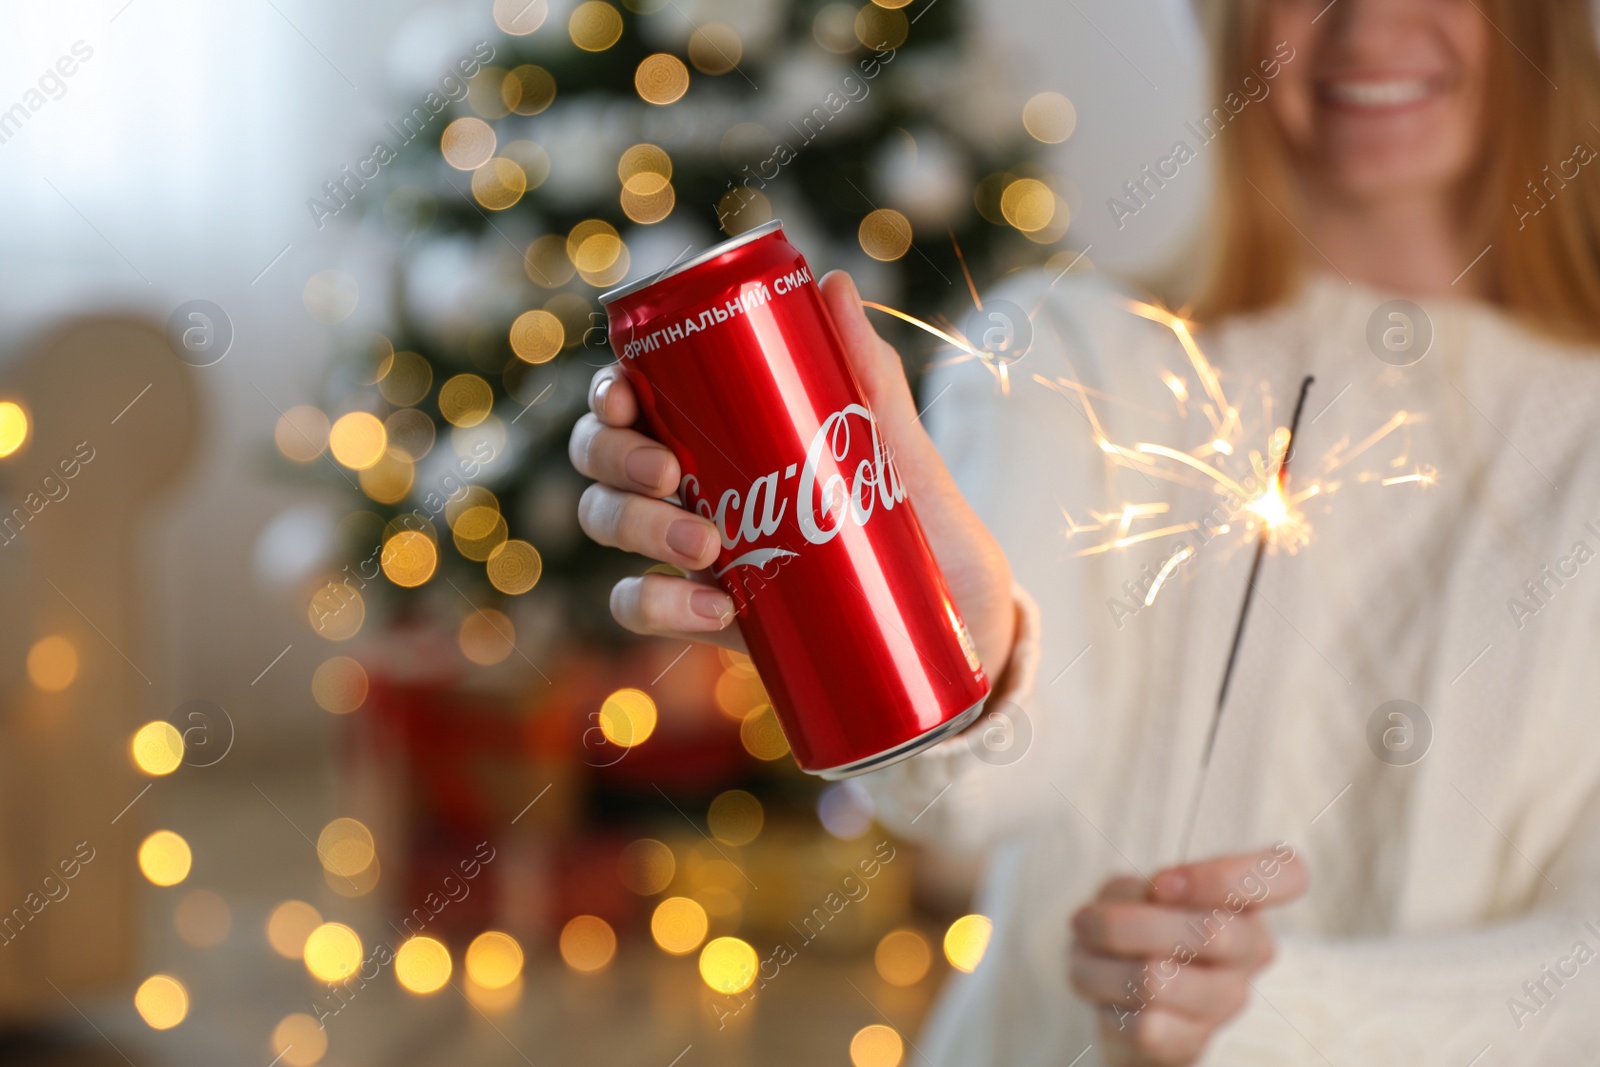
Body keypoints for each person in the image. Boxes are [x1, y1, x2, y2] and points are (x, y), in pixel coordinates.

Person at [569, 0, 1600, 1062]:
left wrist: (1284, 1011)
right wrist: (942, 653)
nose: (1371, 24)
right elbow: (989, 783)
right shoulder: (1061, 353)